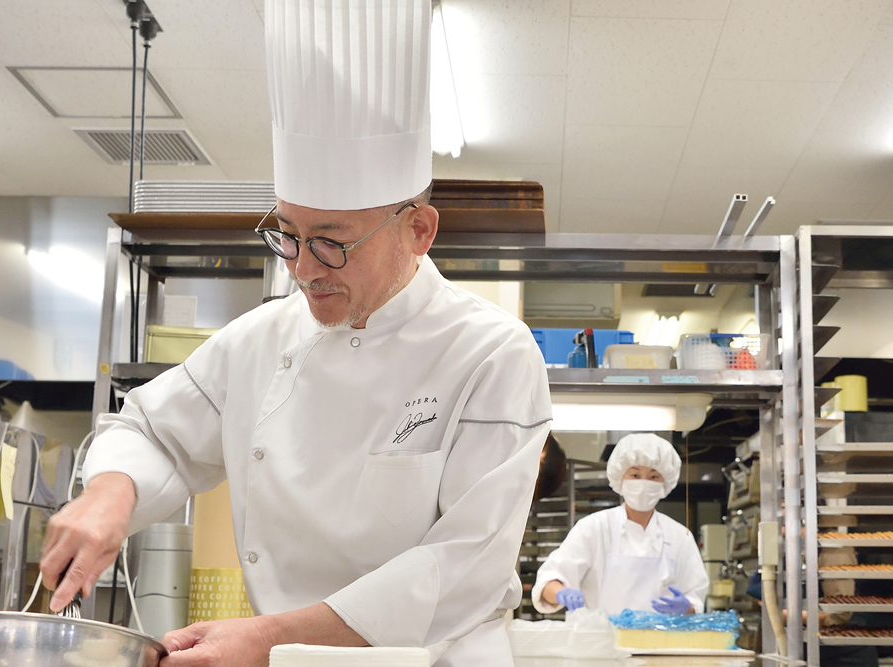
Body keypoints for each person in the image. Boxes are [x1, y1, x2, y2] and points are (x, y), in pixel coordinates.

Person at [39, 1, 552, 665]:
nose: (303, 269)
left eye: (333, 243)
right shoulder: (259, 339)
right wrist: (111, 494)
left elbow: (461, 566)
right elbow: (151, 429)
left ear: (417, 231)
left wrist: (269, 635)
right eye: (287, 232)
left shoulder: (491, 353)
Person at [531, 433, 709, 616]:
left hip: (660, 641)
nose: (643, 483)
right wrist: (561, 593)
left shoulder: (680, 536)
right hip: (600, 640)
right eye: (635, 474)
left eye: (654, 477)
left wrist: (687, 607)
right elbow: (548, 582)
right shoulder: (594, 527)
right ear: (621, 477)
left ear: (666, 482)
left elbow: (695, 597)